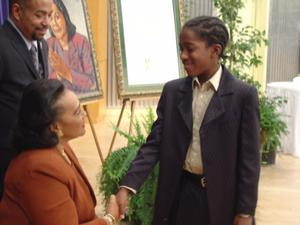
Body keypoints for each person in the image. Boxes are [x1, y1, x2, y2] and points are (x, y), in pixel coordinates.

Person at [116, 16, 260, 225]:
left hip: (220, 204)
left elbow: (250, 161)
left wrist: (245, 212)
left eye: (190, 49)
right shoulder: (173, 92)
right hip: (179, 195)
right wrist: (127, 186)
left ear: (215, 50)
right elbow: (154, 143)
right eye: (181, 48)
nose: (183, 56)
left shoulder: (242, 96)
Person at [0, 79, 119, 225]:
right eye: (77, 112)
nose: (84, 115)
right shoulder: (39, 170)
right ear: (55, 127)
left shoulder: (60, 146)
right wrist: (109, 219)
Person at [0, 0, 52, 199]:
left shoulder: (43, 45)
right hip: (5, 160)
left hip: (33, 157)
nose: (46, 22)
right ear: (17, 11)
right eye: (39, 15)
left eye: (49, 15)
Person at [47, 0, 96, 94]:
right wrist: (58, 74)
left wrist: (67, 72)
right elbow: (45, 84)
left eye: (57, 17)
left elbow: (92, 82)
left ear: (65, 17)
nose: (54, 23)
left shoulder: (81, 42)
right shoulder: (48, 45)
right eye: (50, 18)